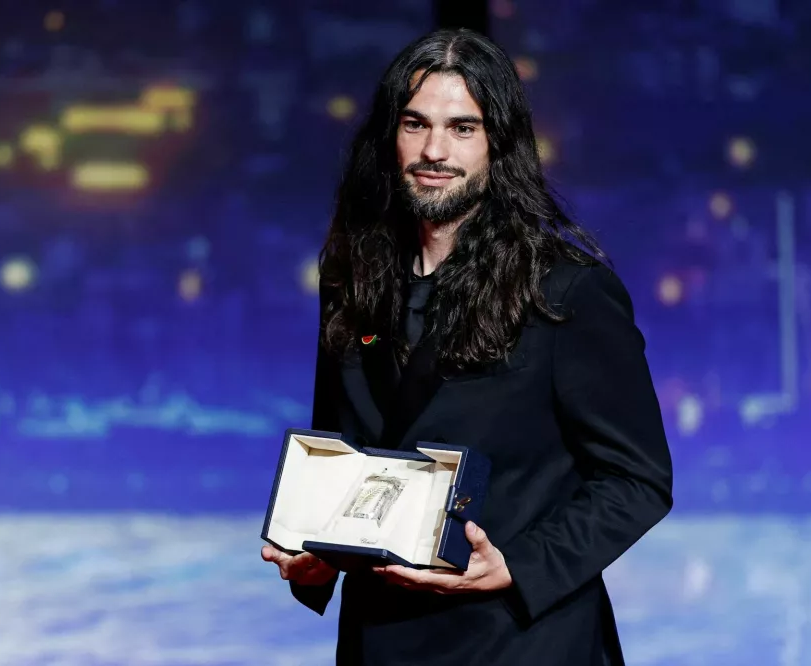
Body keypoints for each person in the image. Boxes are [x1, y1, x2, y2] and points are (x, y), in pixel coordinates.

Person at [261, 28, 673, 666]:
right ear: (388, 136)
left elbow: (636, 479)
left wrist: (517, 565)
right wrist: (316, 560)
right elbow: (344, 459)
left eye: (462, 128)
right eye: (415, 124)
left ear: (497, 143)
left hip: (520, 639)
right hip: (383, 641)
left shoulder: (567, 290)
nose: (433, 150)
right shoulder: (351, 277)